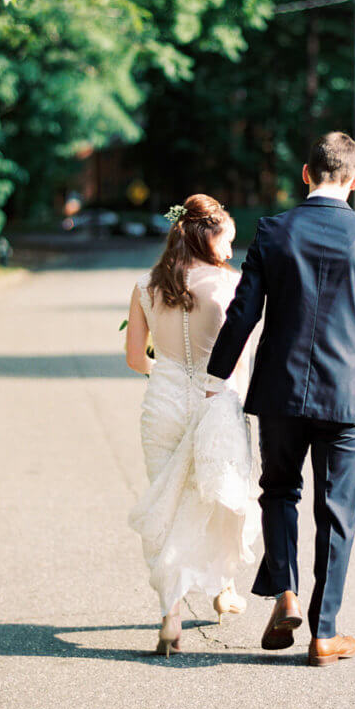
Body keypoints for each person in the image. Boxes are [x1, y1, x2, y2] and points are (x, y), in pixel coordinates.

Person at [207, 132, 355, 667]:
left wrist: (215, 374)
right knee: (336, 512)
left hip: (279, 391)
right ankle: (324, 634)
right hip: (346, 396)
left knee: (278, 491)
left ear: (306, 174)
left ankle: (286, 595)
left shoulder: (275, 231)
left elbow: (243, 312)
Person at [125, 194, 259, 657]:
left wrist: (167, 372)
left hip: (161, 404)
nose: (230, 249)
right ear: (209, 236)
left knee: (167, 503)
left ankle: (171, 615)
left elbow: (134, 358)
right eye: (227, 240)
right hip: (214, 402)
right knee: (219, 499)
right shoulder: (229, 285)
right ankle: (224, 586)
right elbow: (239, 359)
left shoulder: (145, 285)